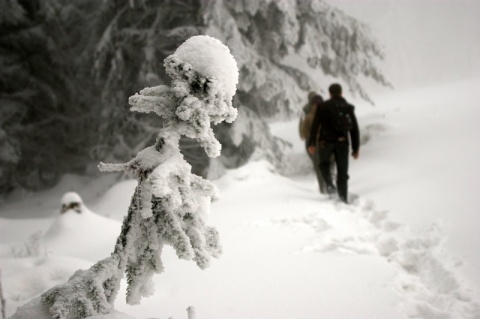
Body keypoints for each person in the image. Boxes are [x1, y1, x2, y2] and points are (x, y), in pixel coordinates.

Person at [307, 83, 360, 203]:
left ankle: (330, 185)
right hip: (343, 143)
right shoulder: (348, 107)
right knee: (342, 172)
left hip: (326, 143)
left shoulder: (323, 107)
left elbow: (315, 126)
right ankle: (343, 199)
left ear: (329, 93)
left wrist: (311, 143)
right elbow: (354, 129)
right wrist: (355, 149)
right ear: (341, 93)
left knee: (323, 165)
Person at [299, 92, 328, 193]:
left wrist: (305, 135)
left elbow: (302, 132)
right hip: (329, 142)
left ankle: (323, 189)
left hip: (313, 142)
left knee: (318, 166)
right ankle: (331, 185)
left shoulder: (306, 112)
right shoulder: (328, 110)